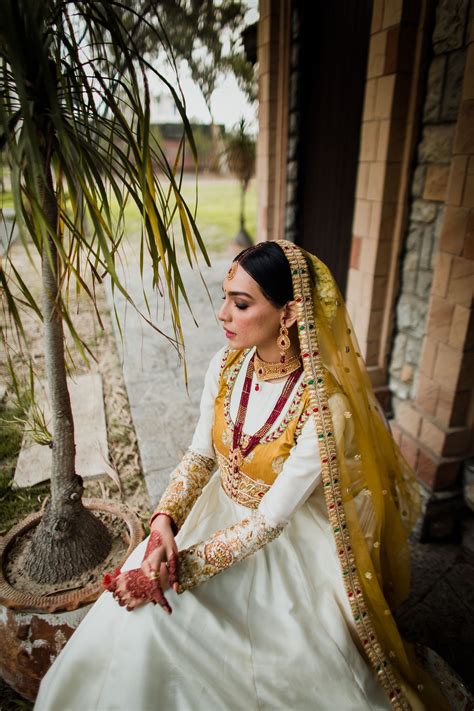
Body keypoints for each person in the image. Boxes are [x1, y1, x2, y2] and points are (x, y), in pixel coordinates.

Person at [35, 240, 467, 711]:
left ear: (288, 313)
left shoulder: (325, 408)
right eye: (225, 297)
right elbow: (200, 456)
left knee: (163, 623)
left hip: (281, 548)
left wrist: (179, 571)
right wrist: (163, 523)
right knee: (133, 618)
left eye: (241, 303)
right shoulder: (225, 367)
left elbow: (270, 521)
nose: (222, 314)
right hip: (214, 514)